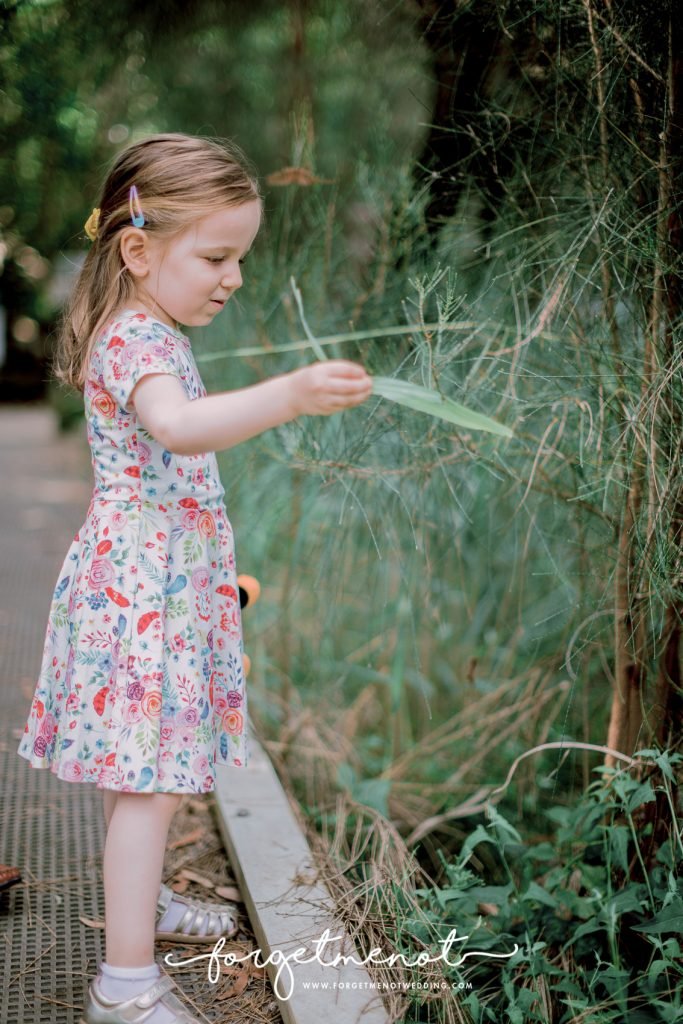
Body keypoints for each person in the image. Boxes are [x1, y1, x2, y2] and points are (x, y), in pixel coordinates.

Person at [17, 133, 372, 1024]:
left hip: (162, 586)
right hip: (142, 594)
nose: (234, 277)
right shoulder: (137, 339)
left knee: (156, 775)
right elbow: (176, 427)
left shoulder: (150, 326)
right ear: (137, 250)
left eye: (239, 257)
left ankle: (143, 913)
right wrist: (287, 396)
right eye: (216, 256)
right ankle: (124, 984)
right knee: (147, 781)